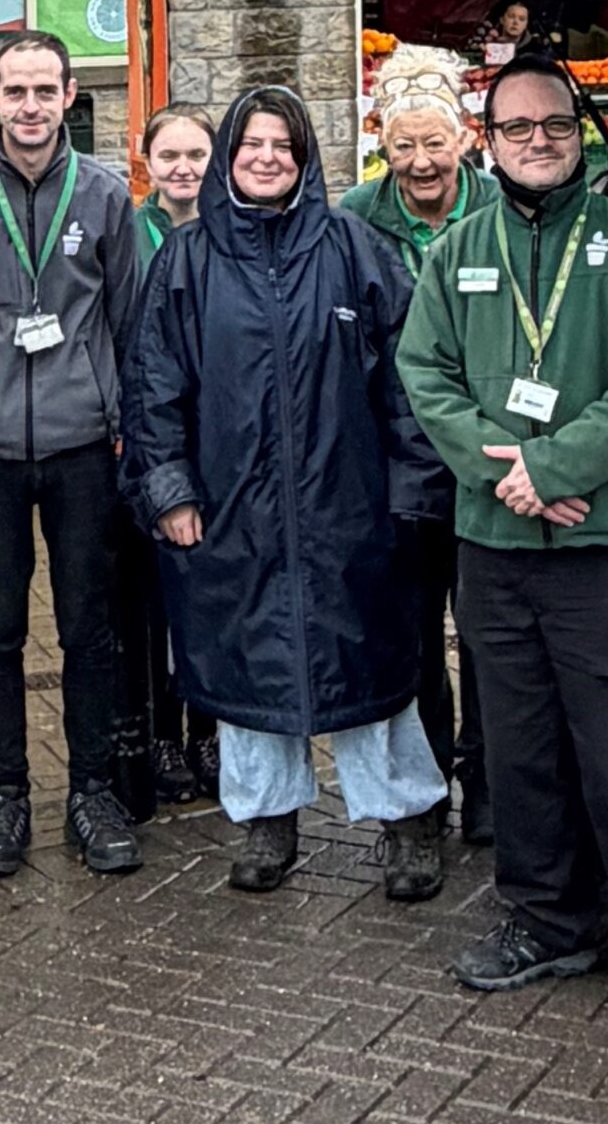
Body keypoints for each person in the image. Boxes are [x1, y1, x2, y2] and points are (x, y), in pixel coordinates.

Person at [396, 54, 608, 1043]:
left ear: (578, 130)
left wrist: (557, 462)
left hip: (603, 541)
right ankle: (544, 918)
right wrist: (509, 474)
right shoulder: (457, 249)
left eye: (552, 123)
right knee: (518, 745)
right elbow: (425, 371)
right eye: (514, 127)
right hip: (492, 542)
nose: (535, 140)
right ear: (483, 141)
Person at [121, 85, 453, 899]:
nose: (266, 157)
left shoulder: (352, 248)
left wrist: (411, 492)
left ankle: (408, 822)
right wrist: (170, 491)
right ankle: (266, 824)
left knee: (372, 675)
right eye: (251, 145)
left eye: (283, 145)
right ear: (229, 158)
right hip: (235, 513)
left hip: (350, 512)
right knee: (248, 676)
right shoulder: (186, 261)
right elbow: (153, 387)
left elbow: (410, 381)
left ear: (304, 159)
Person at [0, 30, 144, 877]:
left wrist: (128, 423)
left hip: (83, 449)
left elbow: (131, 325)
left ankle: (91, 792)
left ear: (69, 98)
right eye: (14, 91)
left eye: (45, 91)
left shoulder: (103, 196)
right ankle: (6, 794)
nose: (30, 107)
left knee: (88, 629)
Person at [341, 52, 502, 843]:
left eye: (434, 143)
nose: (420, 163)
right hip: (394, 468)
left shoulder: (505, 210)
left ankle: (495, 794)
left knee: (491, 636)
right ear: (382, 144)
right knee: (409, 640)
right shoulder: (355, 218)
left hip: (492, 460)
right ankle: (423, 797)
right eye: (403, 146)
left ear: (467, 139)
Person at [122, 103, 219, 805]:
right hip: (151, 438)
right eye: (170, 157)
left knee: (214, 595)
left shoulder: (233, 235)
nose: (183, 169)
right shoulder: (128, 233)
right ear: (145, 160)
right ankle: (161, 736)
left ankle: (209, 730)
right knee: (152, 599)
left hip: (220, 442)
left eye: (197, 156)